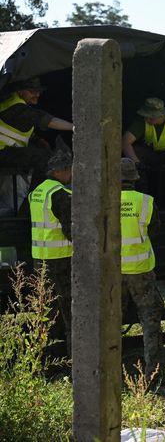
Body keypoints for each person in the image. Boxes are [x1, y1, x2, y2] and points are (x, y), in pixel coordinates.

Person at [119, 158, 164, 378]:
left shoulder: (103, 200)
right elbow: (154, 232)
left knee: (110, 322)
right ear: (134, 179)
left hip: (112, 273)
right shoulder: (145, 201)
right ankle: (152, 374)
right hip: (141, 270)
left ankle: (111, 370)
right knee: (150, 323)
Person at [28, 151, 73, 354]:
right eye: (69, 170)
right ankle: (74, 354)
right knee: (69, 308)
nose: (71, 174)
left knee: (44, 306)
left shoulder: (37, 192)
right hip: (61, 259)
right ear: (60, 171)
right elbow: (70, 230)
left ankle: (40, 355)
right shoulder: (60, 194)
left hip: (40, 258)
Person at [0, 77, 74, 190]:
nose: (37, 94)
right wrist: (75, 127)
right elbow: (49, 121)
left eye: (38, 91)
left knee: (43, 153)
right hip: (3, 153)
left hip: (7, 150)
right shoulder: (17, 108)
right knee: (43, 159)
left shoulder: (15, 103)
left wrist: (38, 140)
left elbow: (18, 130)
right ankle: (36, 195)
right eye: (32, 91)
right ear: (20, 91)